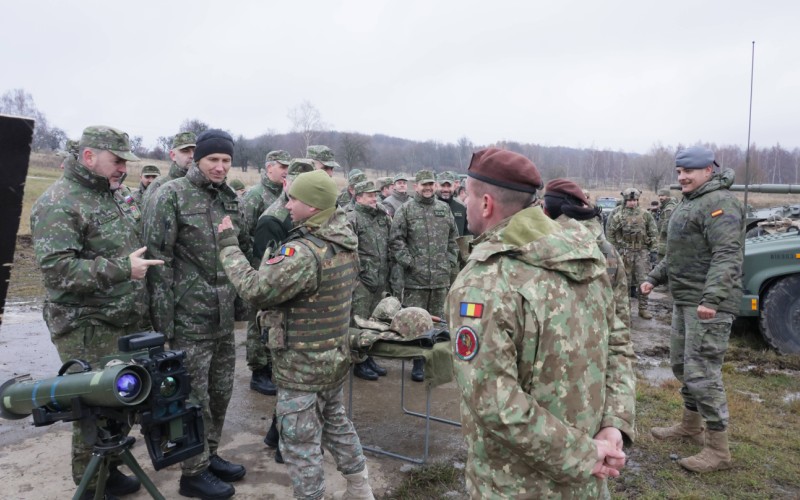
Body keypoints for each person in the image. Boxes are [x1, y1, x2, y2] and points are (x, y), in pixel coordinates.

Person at [446, 147, 634, 498]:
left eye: (466, 194)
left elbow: (495, 402)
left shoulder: (484, 282)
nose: (463, 202)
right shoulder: (586, 255)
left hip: (514, 484)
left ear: (486, 204)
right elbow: (619, 345)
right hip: (589, 480)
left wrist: (585, 453)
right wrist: (613, 426)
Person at [217, 169, 374, 499]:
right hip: (332, 359)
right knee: (336, 423)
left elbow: (256, 289)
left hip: (301, 367)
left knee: (300, 444)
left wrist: (229, 247)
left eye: (294, 199)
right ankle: (360, 487)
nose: (287, 205)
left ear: (314, 207)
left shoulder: (303, 253)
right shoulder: (344, 241)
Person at [31, 125, 164, 499]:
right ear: (89, 157)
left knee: (120, 397)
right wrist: (123, 269)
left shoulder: (112, 195)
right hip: (85, 325)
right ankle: (89, 482)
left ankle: (111, 467)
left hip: (122, 320)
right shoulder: (59, 202)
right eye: (117, 160)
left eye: (126, 161)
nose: (124, 168)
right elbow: (58, 271)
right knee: (90, 401)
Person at [144, 129, 248, 500]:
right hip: (187, 320)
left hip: (220, 318)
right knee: (193, 398)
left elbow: (239, 251)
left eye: (226, 161)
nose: (220, 167)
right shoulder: (170, 195)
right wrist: (163, 327)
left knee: (220, 393)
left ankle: (210, 453)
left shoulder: (230, 198)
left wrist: (239, 307)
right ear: (197, 159)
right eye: (213, 160)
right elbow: (159, 263)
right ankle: (193, 472)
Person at [641, 146, 744, 473]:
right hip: (686, 300)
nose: (682, 176)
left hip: (708, 305)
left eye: (690, 171)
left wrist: (711, 299)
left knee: (703, 372)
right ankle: (690, 425)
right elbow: (679, 253)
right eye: (679, 171)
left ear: (709, 171)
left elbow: (726, 255)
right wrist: (654, 278)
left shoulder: (721, 204)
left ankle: (718, 449)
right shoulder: (691, 202)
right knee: (683, 366)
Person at [389, 169, 458, 381]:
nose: (428, 188)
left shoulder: (443, 209)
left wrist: (449, 261)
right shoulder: (406, 210)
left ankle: (435, 362)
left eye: (431, 184)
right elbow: (396, 240)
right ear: (416, 186)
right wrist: (409, 263)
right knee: (418, 323)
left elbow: (453, 239)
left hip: (439, 279)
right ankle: (418, 362)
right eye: (423, 185)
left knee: (439, 325)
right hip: (415, 281)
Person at [241, 150, 291, 396]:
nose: (285, 170)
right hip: (258, 267)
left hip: (281, 268)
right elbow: (245, 232)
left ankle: (272, 366)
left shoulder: (287, 195)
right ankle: (258, 370)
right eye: (282, 166)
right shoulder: (255, 196)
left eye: (288, 167)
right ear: (268, 167)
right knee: (257, 323)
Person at [347, 180, 392, 380]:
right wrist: (362, 271)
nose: (374, 198)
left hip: (380, 278)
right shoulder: (353, 218)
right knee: (359, 320)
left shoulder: (381, 217)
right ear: (358, 198)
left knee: (374, 322)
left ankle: (369, 356)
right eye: (369, 195)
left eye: (375, 195)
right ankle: (358, 361)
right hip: (362, 281)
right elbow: (349, 250)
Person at [606, 187, 657, 319]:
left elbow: (653, 232)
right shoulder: (619, 215)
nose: (633, 203)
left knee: (643, 280)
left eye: (635, 200)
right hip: (625, 252)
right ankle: (625, 310)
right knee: (625, 282)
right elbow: (610, 233)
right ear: (625, 201)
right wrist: (613, 250)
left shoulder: (646, 214)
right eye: (630, 200)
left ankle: (643, 308)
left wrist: (654, 250)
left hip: (642, 252)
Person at [142, 131, 196, 208]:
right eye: (185, 151)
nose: (192, 156)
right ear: (173, 155)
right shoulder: (159, 185)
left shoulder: (205, 185)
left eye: (195, 151)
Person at [437, 171, 470, 237]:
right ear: (436, 186)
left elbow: (467, 234)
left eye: (449, 186)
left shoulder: (462, 208)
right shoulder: (429, 206)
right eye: (442, 186)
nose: (446, 189)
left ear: (454, 186)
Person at [655, 187, 678, 262]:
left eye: (663, 196)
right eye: (659, 196)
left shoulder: (669, 208)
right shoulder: (664, 206)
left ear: (668, 196)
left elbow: (667, 226)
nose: (660, 197)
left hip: (666, 242)